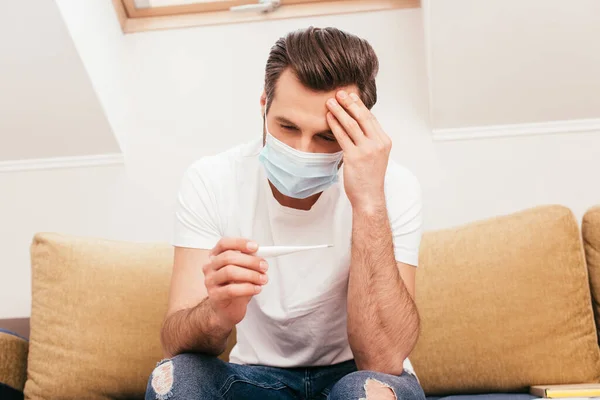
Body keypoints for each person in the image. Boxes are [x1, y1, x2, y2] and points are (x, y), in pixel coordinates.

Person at [146, 26, 425, 400]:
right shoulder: (212, 179)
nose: (303, 151)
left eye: (327, 137)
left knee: (368, 391)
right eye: (287, 127)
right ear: (264, 105)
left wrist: (369, 202)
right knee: (174, 380)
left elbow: (382, 357)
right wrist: (216, 312)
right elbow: (173, 340)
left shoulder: (393, 186)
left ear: (359, 131)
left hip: (357, 376)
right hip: (256, 379)